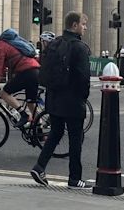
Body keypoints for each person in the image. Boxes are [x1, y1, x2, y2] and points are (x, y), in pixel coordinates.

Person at [30, 11, 91, 189]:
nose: (85, 27)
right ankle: (75, 179)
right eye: (83, 24)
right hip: (72, 100)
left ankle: (39, 167)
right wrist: (83, 97)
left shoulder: (54, 43)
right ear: (74, 25)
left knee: (55, 133)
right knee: (75, 138)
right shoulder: (79, 47)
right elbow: (83, 77)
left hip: (54, 97)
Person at [0, 26, 40, 128]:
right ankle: (39, 131)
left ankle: (24, 115)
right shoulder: (4, 44)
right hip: (35, 71)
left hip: (26, 72)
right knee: (31, 103)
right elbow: (2, 69)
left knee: (4, 93)